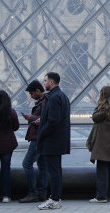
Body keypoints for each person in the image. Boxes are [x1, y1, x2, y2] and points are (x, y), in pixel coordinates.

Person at [37, 72, 71, 211]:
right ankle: (55, 198)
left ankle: (55, 199)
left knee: (53, 171)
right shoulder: (62, 96)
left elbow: (53, 121)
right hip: (58, 140)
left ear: (51, 82)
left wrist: (41, 132)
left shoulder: (54, 97)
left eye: (45, 81)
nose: (43, 83)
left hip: (52, 141)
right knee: (56, 170)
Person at [89, 86, 110, 204]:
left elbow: (94, 117)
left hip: (103, 145)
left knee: (102, 170)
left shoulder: (104, 109)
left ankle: (101, 196)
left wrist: (98, 106)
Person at [18, 81, 48, 203]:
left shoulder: (45, 101)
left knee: (27, 163)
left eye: (31, 93)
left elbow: (46, 119)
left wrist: (31, 118)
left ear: (37, 90)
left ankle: (33, 192)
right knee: (42, 165)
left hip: (38, 138)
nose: (31, 96)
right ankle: (42, 193)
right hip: (41, 137)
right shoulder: (44, 101)